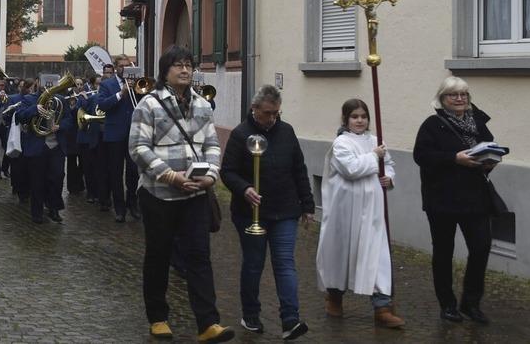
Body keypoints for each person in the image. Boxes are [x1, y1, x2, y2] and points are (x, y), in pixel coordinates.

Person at [129, 45, 233, 343]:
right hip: (158, 194)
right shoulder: (148, 105)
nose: (185, 70)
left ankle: (208, 323)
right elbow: (138, 148)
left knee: (199, 257)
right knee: (158, 255)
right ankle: (158, 318)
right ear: (166, 71)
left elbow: (212, 144)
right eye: (178, 65)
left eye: (188, 65)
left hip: (195, 196)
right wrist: (171, 175)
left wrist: (211, 175)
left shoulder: (202, 105)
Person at [220, 84, 313, 341]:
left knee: (285, 264)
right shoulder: (241, 135)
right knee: (253, 264)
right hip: (249, 213)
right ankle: (250, 314)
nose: (272, 118)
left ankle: (290, 319)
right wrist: (244, 189)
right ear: (255, 109)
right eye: (268, 113)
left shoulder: (286, 131)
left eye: (276, 113)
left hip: (285, 210)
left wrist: (307, 204)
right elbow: (227, 172)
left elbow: (299, 169)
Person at [316, 98, 405, 328]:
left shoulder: (377, 141)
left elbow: (390, 165)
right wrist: (375, 157)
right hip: (345, 211)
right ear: (346, 119)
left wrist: (389, 178)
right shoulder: (341, 144)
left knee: (377, 255)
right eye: (354, 116)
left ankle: (382, 307)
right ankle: (334, 297)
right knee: (341, 254)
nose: (359, 120)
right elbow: (352, 169)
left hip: (373, 210)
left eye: (363, 116)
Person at [413, 76, 495, 324]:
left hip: (475, 197)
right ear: (442, 99)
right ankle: (447, 304)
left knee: (481, 247)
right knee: (443, 252)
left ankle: (471, 303)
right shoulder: (432, 124)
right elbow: (422, 156)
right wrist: (454, 158)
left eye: (464, 94)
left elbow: (489, 146)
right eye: (453, 95)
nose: (460, 99)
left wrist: (490, 162)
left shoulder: (478, 121)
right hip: (443, 199)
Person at [16, 75, 73, 224]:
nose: (48, 86)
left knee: (58, 177)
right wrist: (35, 109)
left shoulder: (60, 100)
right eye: (44, 82)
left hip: (55, 145)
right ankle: (37, 212)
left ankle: (54, 208)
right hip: (37, 146)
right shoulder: (29, 99)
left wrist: (59, 126)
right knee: (37, 181)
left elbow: (69, 120)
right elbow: (20, 116)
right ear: (38, 83)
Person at [97, 57, 140, 222]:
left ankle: (133, 204)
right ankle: (119, 209)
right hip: (115, 134)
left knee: (133, 171)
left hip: (133, 133)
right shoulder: (107, 85)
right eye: (121, 66)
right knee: (115, 173)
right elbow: (102, 105)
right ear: (115, 68)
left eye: (127, 66)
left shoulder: (137, 83)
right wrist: (120, 93)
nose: (124, 68)